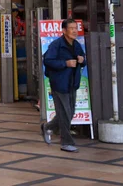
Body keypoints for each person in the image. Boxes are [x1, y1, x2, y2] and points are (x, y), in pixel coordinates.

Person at [41, 19, 86, 153]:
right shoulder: (56, 45)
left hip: (72, 83)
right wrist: (65, 64)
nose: (74, 31)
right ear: (64, 31)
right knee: (65, 113)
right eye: (71, 28)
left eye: (75, 28)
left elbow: (83, 58)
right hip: (59, 84)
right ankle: (66, 142)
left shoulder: (76, 44)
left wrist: (82, 60)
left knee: (70, 112)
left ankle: (48, 126)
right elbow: (48, 61)